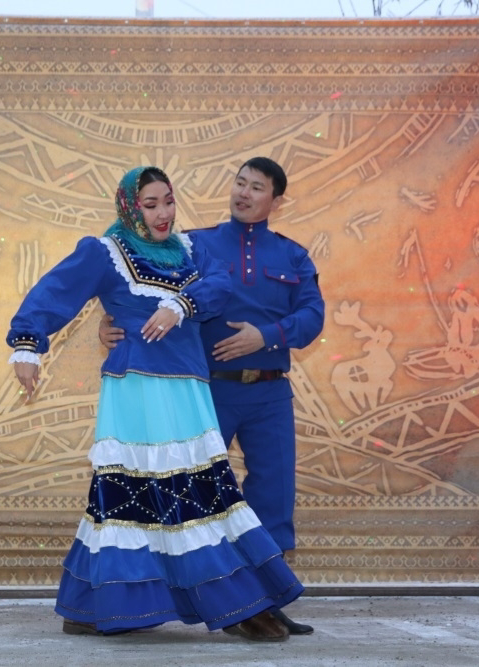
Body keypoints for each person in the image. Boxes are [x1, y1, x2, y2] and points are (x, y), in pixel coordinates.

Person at [7, 165, 303, 641]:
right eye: (150, 204)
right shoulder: (105, 252)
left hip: (187, 386)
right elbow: (56, 290)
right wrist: (27, 343)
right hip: (138, 388)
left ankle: (89, 606)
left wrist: (179, 305)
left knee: (193, 492)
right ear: (131, 207)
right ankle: (234, 605)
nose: (163, 213)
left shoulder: (190, 250)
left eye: (168, 201)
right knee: (143, 495)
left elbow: (219, 284)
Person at [100, 157, 325, 635]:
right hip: (204, 393)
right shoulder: (192, 245)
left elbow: (312, 317)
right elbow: (143, 288)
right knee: (196, 496)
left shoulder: (293, 256)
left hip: (269, 393)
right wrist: (112, 322)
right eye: (240, 183)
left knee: (273, 498)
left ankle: (268, 601)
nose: (244, 193)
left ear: (276, 200)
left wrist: (265, 336)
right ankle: (200, 599)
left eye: (257, 187)